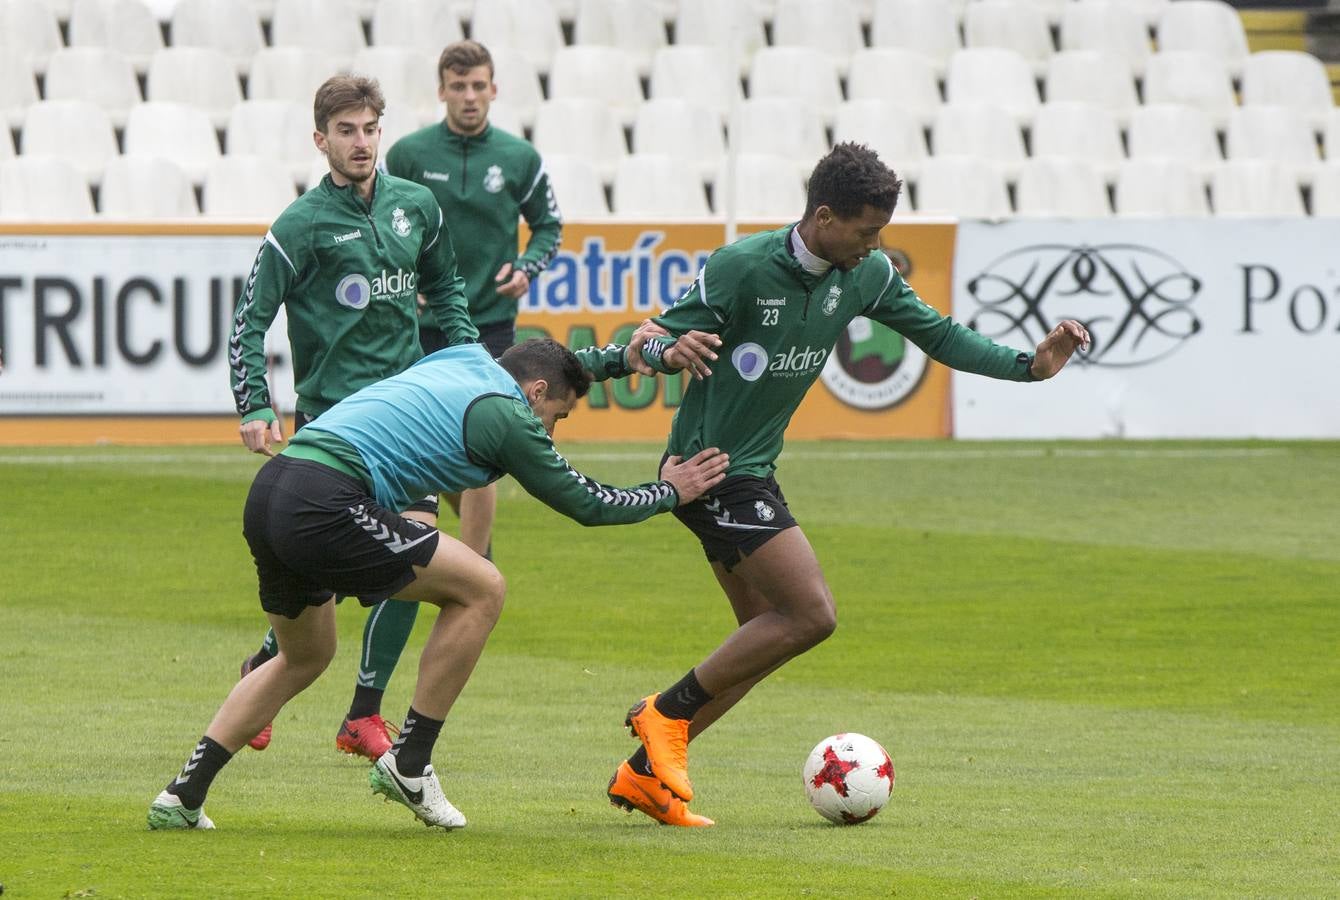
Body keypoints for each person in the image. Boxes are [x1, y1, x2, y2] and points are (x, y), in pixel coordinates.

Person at [608, 143, 1092, 828]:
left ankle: (644, 776)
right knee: (810, 616)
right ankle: (665, 713)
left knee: (760, 637)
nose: (876, 245)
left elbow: (942, 336)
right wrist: (664, 350)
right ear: (824, 217)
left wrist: (1030, 367)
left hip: (752, 470)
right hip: (710, 474)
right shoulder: (741, 266)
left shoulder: (865, 277)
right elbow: (645, 339)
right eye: (867, 231)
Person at [148, 338, 730, 831]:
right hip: (327, 500)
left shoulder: (467, 356)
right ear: (534, 395)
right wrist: (670, 491)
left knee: (305, 655)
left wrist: (619, 359)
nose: (553, 429)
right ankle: (411, 760)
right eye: (559, 416)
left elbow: (559, 361)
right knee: (483, 588)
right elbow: (585, 502)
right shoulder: (508, 415)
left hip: (273, 488)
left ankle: (183, 795)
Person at [317, 40, 564, 754]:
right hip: (410, 346)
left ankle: (374, 693)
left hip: (489, 344)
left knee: (468, 530)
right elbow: (379, 223)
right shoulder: (409, 157)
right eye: (457, 85)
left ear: (493, 89)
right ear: (441, 90)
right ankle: (320, 676)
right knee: (390, 523)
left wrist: (531, 265)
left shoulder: (519, 160)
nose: (468, 95)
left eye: (479, 85)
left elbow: (549, 224)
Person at [228, 74, 477, 760]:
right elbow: (249, 319)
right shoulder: (301, 225)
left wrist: (467, 365)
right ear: (321, 140)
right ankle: (266, 669)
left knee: (414, 554)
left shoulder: (416, 207)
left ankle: (364, 711)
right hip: (334, 426)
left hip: (407, 419)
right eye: (346, 131)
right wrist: (254, 404)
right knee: (338, 573)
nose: (361, 142)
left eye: (370, 128)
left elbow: (446, 290)